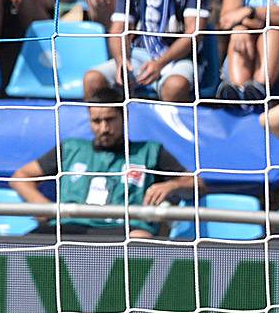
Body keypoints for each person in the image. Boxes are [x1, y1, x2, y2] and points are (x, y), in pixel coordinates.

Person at [10, 86, 197, 239]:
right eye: (96, 121)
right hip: (69, 227)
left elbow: (197, 183)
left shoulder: (150, 151)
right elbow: (21, 176)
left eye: (109, 120)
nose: (104, 128)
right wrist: (44, 207)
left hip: (124, 228)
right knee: (26, 242)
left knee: (141, 239)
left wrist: (172, 185)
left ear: (124, 117)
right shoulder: (71, 148)